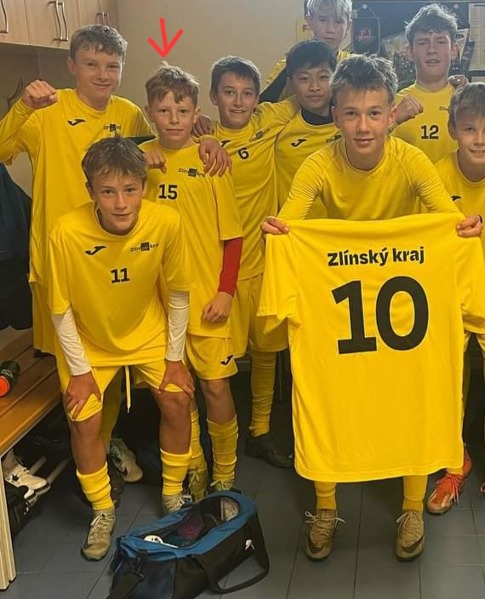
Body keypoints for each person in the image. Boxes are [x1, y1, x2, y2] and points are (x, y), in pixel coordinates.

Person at [262, 54, 482, 561]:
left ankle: (411, 507)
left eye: (375, 113)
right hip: (339, 298)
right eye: (352, 113)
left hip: (403, 300)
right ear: (335, 115)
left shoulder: (411, 160)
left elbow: (445, 217)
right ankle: (325, 506)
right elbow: (291, 219)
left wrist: (463, 229)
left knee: (412, 396)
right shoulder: (319, 164)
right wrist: (279, 231)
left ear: (391, 114)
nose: (364, 126)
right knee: (327, 396)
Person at [0, 24, 227, 486]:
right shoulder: (47, 109)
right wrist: (21, 107)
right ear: (72, 65)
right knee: (79, 371)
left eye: (112, 65)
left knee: (124, 363)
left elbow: (166, 138)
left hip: (121, 262)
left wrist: (206, 135)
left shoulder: (128, 114)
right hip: (66, 261)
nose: (102, 74)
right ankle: (95, 459)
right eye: (91, 64)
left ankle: (113, 446)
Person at [48, 136, 194, 560]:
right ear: (90, 191)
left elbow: (179, 294)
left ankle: (173, 493)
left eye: (130, 189)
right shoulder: (66, 231)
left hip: (147, 331)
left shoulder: (166, 222)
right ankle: (102, 509)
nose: (121, 203)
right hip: (88, 339)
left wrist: (175, 359)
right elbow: (59, 310)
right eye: (108, 191)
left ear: (144, 187)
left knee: (178, 399)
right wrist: (79, 371)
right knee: (84, 420)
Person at [142, 64, 243, 502]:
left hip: (205, 298)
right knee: (177, 391)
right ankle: (195, 466)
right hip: (158, 303)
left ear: (196, 113)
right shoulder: (138, 161)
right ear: (149, 112)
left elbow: (233, 236)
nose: (173, 119)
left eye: (182, 110)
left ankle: (225, 472)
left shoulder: (210, 160)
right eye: (164, 110)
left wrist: (225, 291)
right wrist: (136, 160)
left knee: (215, 386)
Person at [204, 55, 301, 468]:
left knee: (265, 350)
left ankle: (259, 430)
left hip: (263, 262)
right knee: (217, 365)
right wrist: (200, 132)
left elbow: (309, 87)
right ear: (214, 97)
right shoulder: (201, 141)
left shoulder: (268, 120)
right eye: (229, 92)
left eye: (247, 93)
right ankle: (216, 447)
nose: (239, 101)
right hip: (219, 271)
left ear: (258, 98)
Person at [427, 82, 485, 514]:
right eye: (469, 128)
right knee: (447, 379)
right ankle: (454, 460)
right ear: (452, 130)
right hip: (449, 295)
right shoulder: (435, 174)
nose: (479, 139)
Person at [392, 3, 464, 163]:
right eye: (423, 42)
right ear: (409, 52)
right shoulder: (394, 105)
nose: (432, 49)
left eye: (440, 41)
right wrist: (392, 121)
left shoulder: (466, 100)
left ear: (454, 50)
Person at [275, 39, 340, 215]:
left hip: (344, 229)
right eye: (304, 79)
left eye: (323, 77)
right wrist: (208, 136)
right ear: (290, 83)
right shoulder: (278, 125)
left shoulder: (353, 123)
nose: (314, 87)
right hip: (296, 228)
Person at [261, 0, 352, 102]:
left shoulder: (355, 66)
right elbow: (262, 106)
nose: (330, 29)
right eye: (323, 20)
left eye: (338, 22)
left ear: (348, 25)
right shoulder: (288, 67)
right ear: (309, 21)